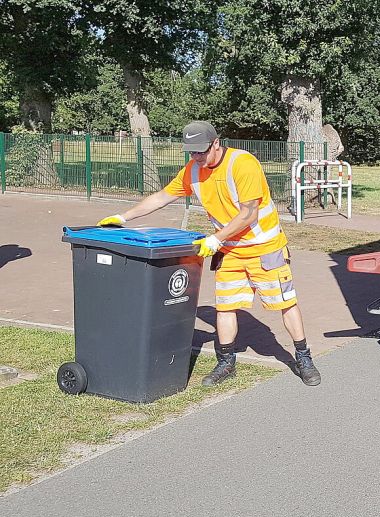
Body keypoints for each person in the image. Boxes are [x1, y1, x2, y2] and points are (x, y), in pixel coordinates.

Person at [97, 121, 321, 387]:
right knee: (225, 307)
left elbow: (248, 212)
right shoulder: (192, 170)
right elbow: (161, 197)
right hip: (229, 251)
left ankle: (304, 358)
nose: (196, 157)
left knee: (285, 303)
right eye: (191, 152)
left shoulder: (243, 164)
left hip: (265, 248)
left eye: (201, 151)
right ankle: (226, 363)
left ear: (216, 143)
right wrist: (123, 217)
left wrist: (215, 239)